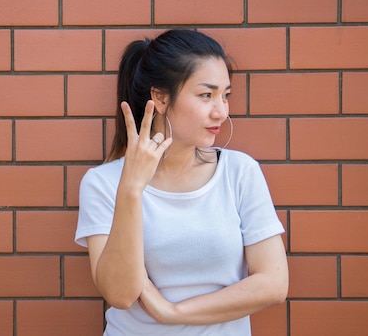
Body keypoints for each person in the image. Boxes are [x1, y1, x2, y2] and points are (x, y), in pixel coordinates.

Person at [75, 29, 288, 335]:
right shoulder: (103, 183)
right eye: (206, 95)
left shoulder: (240, 172)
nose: (222, 112)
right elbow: (120, 294)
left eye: (225, 95)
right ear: (160, 98)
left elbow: (274, 283)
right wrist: (131, 191)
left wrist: (173, 313)